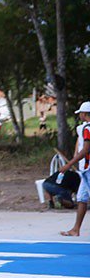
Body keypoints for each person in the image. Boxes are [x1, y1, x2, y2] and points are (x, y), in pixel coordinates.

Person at [58, 101, 90, 236]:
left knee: (83, 197)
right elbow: (80, 144)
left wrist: (69, 164)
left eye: (81, 113)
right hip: (84, 170)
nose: (80, 115)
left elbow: (86, 149)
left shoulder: (87, 129)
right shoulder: (84, 128)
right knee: (82, 197)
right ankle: (76, 229)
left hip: (88, 168)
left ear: (85, 114)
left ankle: (76, 228)